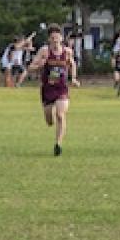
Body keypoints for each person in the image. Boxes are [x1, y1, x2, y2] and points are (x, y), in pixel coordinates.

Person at [29, 24, 75, 154]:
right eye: (52, 38)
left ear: (61, 38)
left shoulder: (67, 52)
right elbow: (30, 67)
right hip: (47, 90)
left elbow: (72, 64)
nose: (55, 40)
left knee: (60, 115)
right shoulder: (44, 51)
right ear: (49, 39)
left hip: (62, 89)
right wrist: (40, 65)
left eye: (57, 37)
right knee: (49, 120)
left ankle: (58, 144)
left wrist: (74, 78)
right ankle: (51, 120)